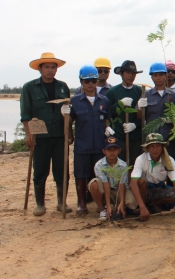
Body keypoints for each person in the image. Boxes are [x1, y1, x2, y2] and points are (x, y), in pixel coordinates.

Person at [20, 52, 71, 216]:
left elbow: (68, 112)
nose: (50, 70)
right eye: (47, 67)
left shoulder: (63, 87)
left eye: (53, 67)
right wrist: (28, 135)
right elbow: (25, 114)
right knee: (40, 170)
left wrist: (69, 131)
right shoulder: (29, 87)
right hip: (40, 136)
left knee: (61, 170)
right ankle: (40, 204)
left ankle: (61, 202)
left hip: (60, 135)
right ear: (40, 69)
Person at [69, 65, 111, 214]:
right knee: (81, 175)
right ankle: (82, 203)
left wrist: (108, 129)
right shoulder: (75, 101)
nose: (91, 83)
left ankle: (101, 203)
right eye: (87, 81)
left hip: (100, 145)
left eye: (93, 80)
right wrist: (69, 135)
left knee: (100, 174)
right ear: (81, 81)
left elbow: (107, 120)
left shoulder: (104, 100)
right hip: (82, 145)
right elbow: (69, 122)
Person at [138, 62, 175, 185]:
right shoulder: (145, 95)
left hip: (169, 139)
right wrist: (140, 107)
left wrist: (174, 117)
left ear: (165, 76)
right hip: (152, 141)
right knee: (152, 169)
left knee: (171, 168)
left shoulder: (173, 95)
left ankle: (172, 193)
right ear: (152, 77)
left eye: (161, 75)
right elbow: (139, 117)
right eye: (155, 75)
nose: (158, 78)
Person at [129, 133, 175, 221]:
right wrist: (142, 206)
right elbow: (133, 183)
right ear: (147, 148)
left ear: (162, 147)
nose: (155, 149)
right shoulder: (141, 159)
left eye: (158, 146)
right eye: (152, 146)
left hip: (159, 189)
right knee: (140, 181)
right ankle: (142, 206)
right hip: (145, 189)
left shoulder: (169, 160)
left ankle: (153, 204)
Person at [89, 137, 137, 220]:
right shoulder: (99, 165)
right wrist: (108, 205)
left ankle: (120, 207)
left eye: (115, 149)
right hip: (105, 190)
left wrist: (122, 203)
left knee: (132, 202)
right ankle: (103, 210)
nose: (112, 152)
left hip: (118, 190)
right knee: (94, 184)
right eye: (109, 150)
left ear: (119, 150)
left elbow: (122, 185)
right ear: (104, 151)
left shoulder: (123, 165)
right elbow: (106, 185)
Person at [105, 60, 143, 166]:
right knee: (120, 167)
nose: (131, 76)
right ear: (121, 73)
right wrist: (119, 104)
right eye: (128, 72)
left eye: (133, 73)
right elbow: (108, 113)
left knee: (135, 166)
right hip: (119, 137)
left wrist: (135, 125)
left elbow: (143, 115)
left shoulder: (139, 91)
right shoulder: (112, 92)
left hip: (135, 138)